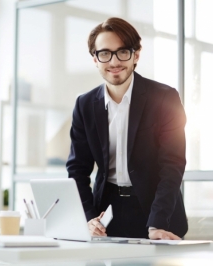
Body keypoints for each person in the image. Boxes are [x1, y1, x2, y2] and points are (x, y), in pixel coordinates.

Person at [66, 17, 188, 240]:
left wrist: (157, 223)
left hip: (157, 212)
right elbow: (77, 170)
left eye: (122, 52)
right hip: (106, 213)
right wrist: (89, 217)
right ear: (95, 58)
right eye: (104, 53)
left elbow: (172, 165)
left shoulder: (164, 98)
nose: (114, 62)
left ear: (136, 55)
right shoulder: (84, 105)